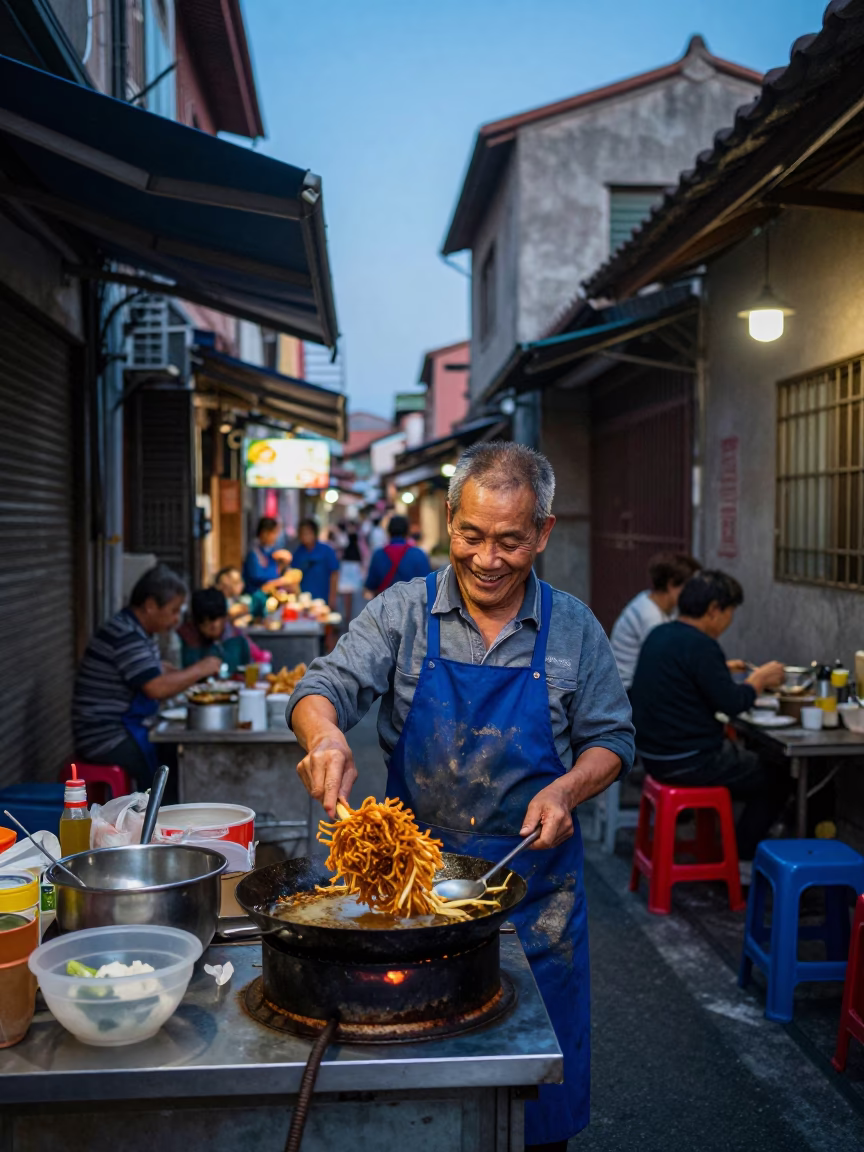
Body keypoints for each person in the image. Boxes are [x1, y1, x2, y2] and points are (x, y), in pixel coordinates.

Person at [289, 441, 634, 1150]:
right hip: (411, 901)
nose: (487, 558)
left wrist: (568, 789)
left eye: (511, 540)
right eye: (472, 535)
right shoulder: (402, 614)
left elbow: (613, 741)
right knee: (418, 1094)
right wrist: (324, 737)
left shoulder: (573, 629)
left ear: (543, 531)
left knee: (533, 1095)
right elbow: (320, 688)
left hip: (536, 897)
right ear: (449, 520)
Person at [629, 569, 787, 863]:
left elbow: (685, 675)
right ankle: (742, 861)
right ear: (714, 610)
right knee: (778, 777)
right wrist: (760, 679)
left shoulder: (661, 634)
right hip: (690, 761)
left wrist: (721, 669)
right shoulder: (701, 645)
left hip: (654, 757)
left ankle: (734, 850)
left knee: (754, 763)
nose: (728, 621)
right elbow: (733, 702)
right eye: (730, 613)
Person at [72, 565, 222, 787]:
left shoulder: (137, 631)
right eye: (173, 611)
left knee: (174, 761)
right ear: (151, 606)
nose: (176, 620)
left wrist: (170, 671)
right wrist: (201, 668)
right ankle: (158, 816)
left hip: (121, 728)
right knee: (168, 775)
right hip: (106, 736)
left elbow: (149, 672)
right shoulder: (126, 635)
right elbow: (155, 687)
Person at [610, 552, 701, 690]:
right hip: (627, 690)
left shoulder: (666, 607)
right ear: (671, 585)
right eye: (689, 587)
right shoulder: (648, 614)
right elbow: (667, 662)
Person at [177, 589, 250, 675]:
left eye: (213, 619)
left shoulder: (237, 638)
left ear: (225, 617)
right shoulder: (184, 638)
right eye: (202, 621)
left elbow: (246, 668)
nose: (209, 625)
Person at [364, 514, 431, 596]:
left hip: (385, 605)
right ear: (407, 532)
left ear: (388, 531)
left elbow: (371, 585)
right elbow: (427, 586)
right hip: (413, 606)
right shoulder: (419, 554)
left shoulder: (378, 554)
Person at [292, 518, 340, 606]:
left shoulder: (327, 550)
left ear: (314, 533)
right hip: (304, 600)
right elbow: (294, 576)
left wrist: (333, 597)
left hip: (323, 598)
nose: (305, 536)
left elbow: (334, 574)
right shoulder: (298, 553)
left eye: (307, 533)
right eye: (302, 533)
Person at [242, 516, 294, 594]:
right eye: (274, 533)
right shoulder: (253, 553)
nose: (276, 537)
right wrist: (279, 575)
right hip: (256, 597)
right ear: (264, 533)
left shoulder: (272, 552)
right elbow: (258, 577)